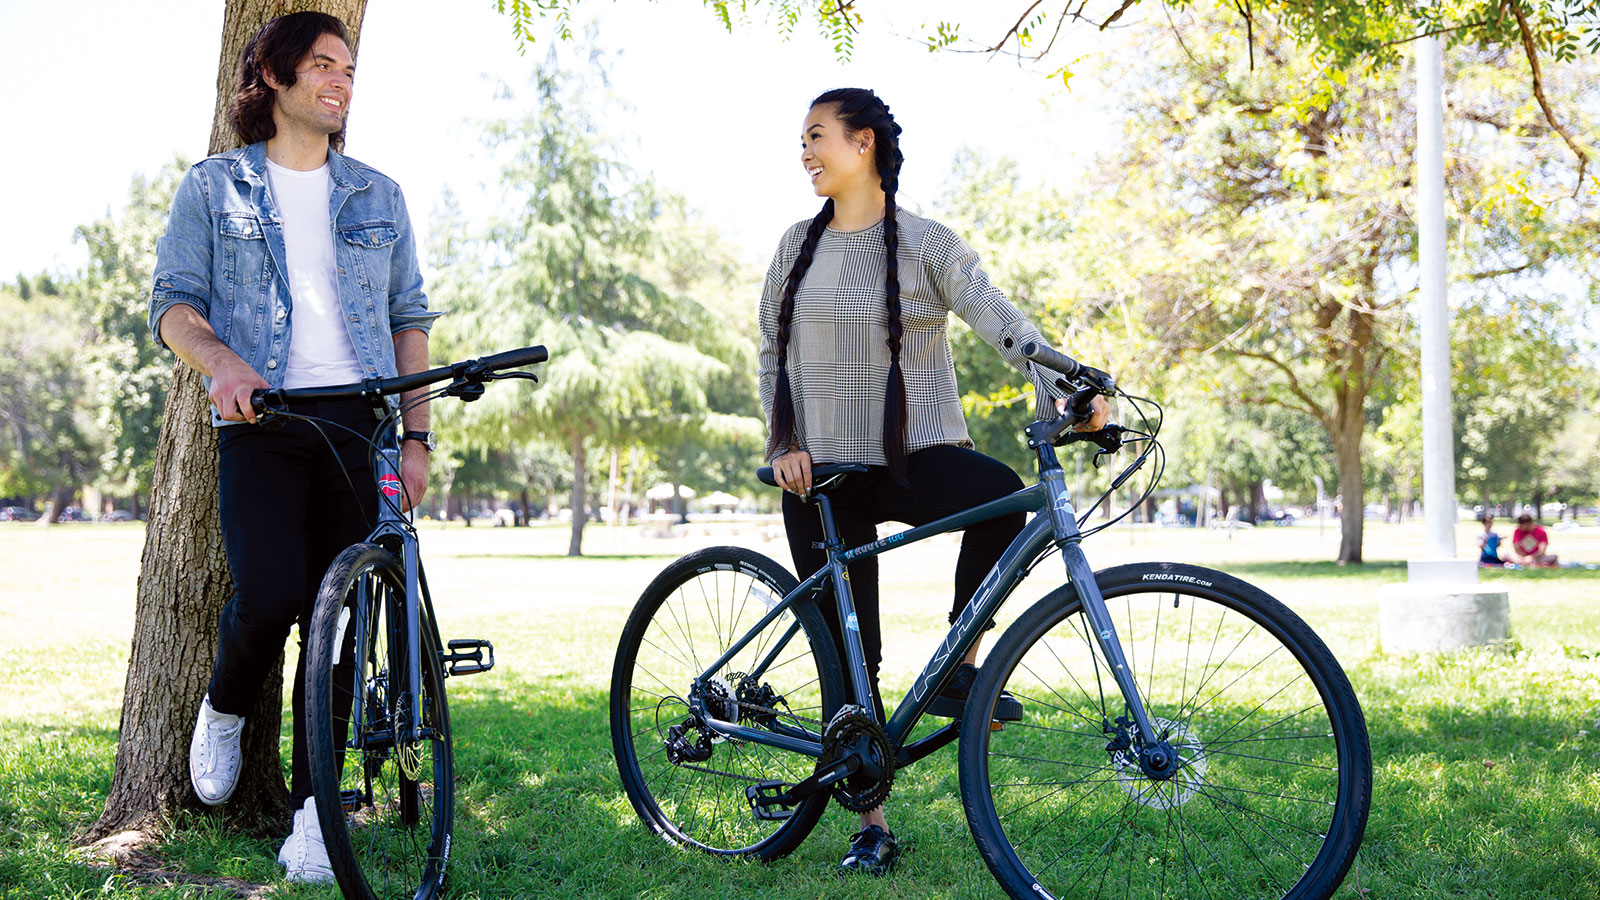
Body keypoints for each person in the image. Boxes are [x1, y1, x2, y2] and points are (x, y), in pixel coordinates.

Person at [757, 88, 1109, 877]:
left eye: (817, 136)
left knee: (1001, 497)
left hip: (914, 454)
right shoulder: (795, 247)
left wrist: (1066, 380)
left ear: (865, 144)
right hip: (821, 473)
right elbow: (767, 346)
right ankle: (870, 825)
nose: (806, 151)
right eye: (802, 140)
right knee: (857, 661)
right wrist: (783, 440)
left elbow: (996, 315)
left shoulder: (924, 243)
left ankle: (959, 662)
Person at [147, 12, 439, 883]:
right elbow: (172, 305)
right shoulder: (214, 187)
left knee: (341, 621)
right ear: (273, 77)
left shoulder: (378, 194)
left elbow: (409, 319)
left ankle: (318, 816)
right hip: (263, 425)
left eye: (347, 66)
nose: (341, 79)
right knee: (270, 595)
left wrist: (417, 438)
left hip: (363, 423)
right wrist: (224, 363)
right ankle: (228, 705)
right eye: (322, 64)